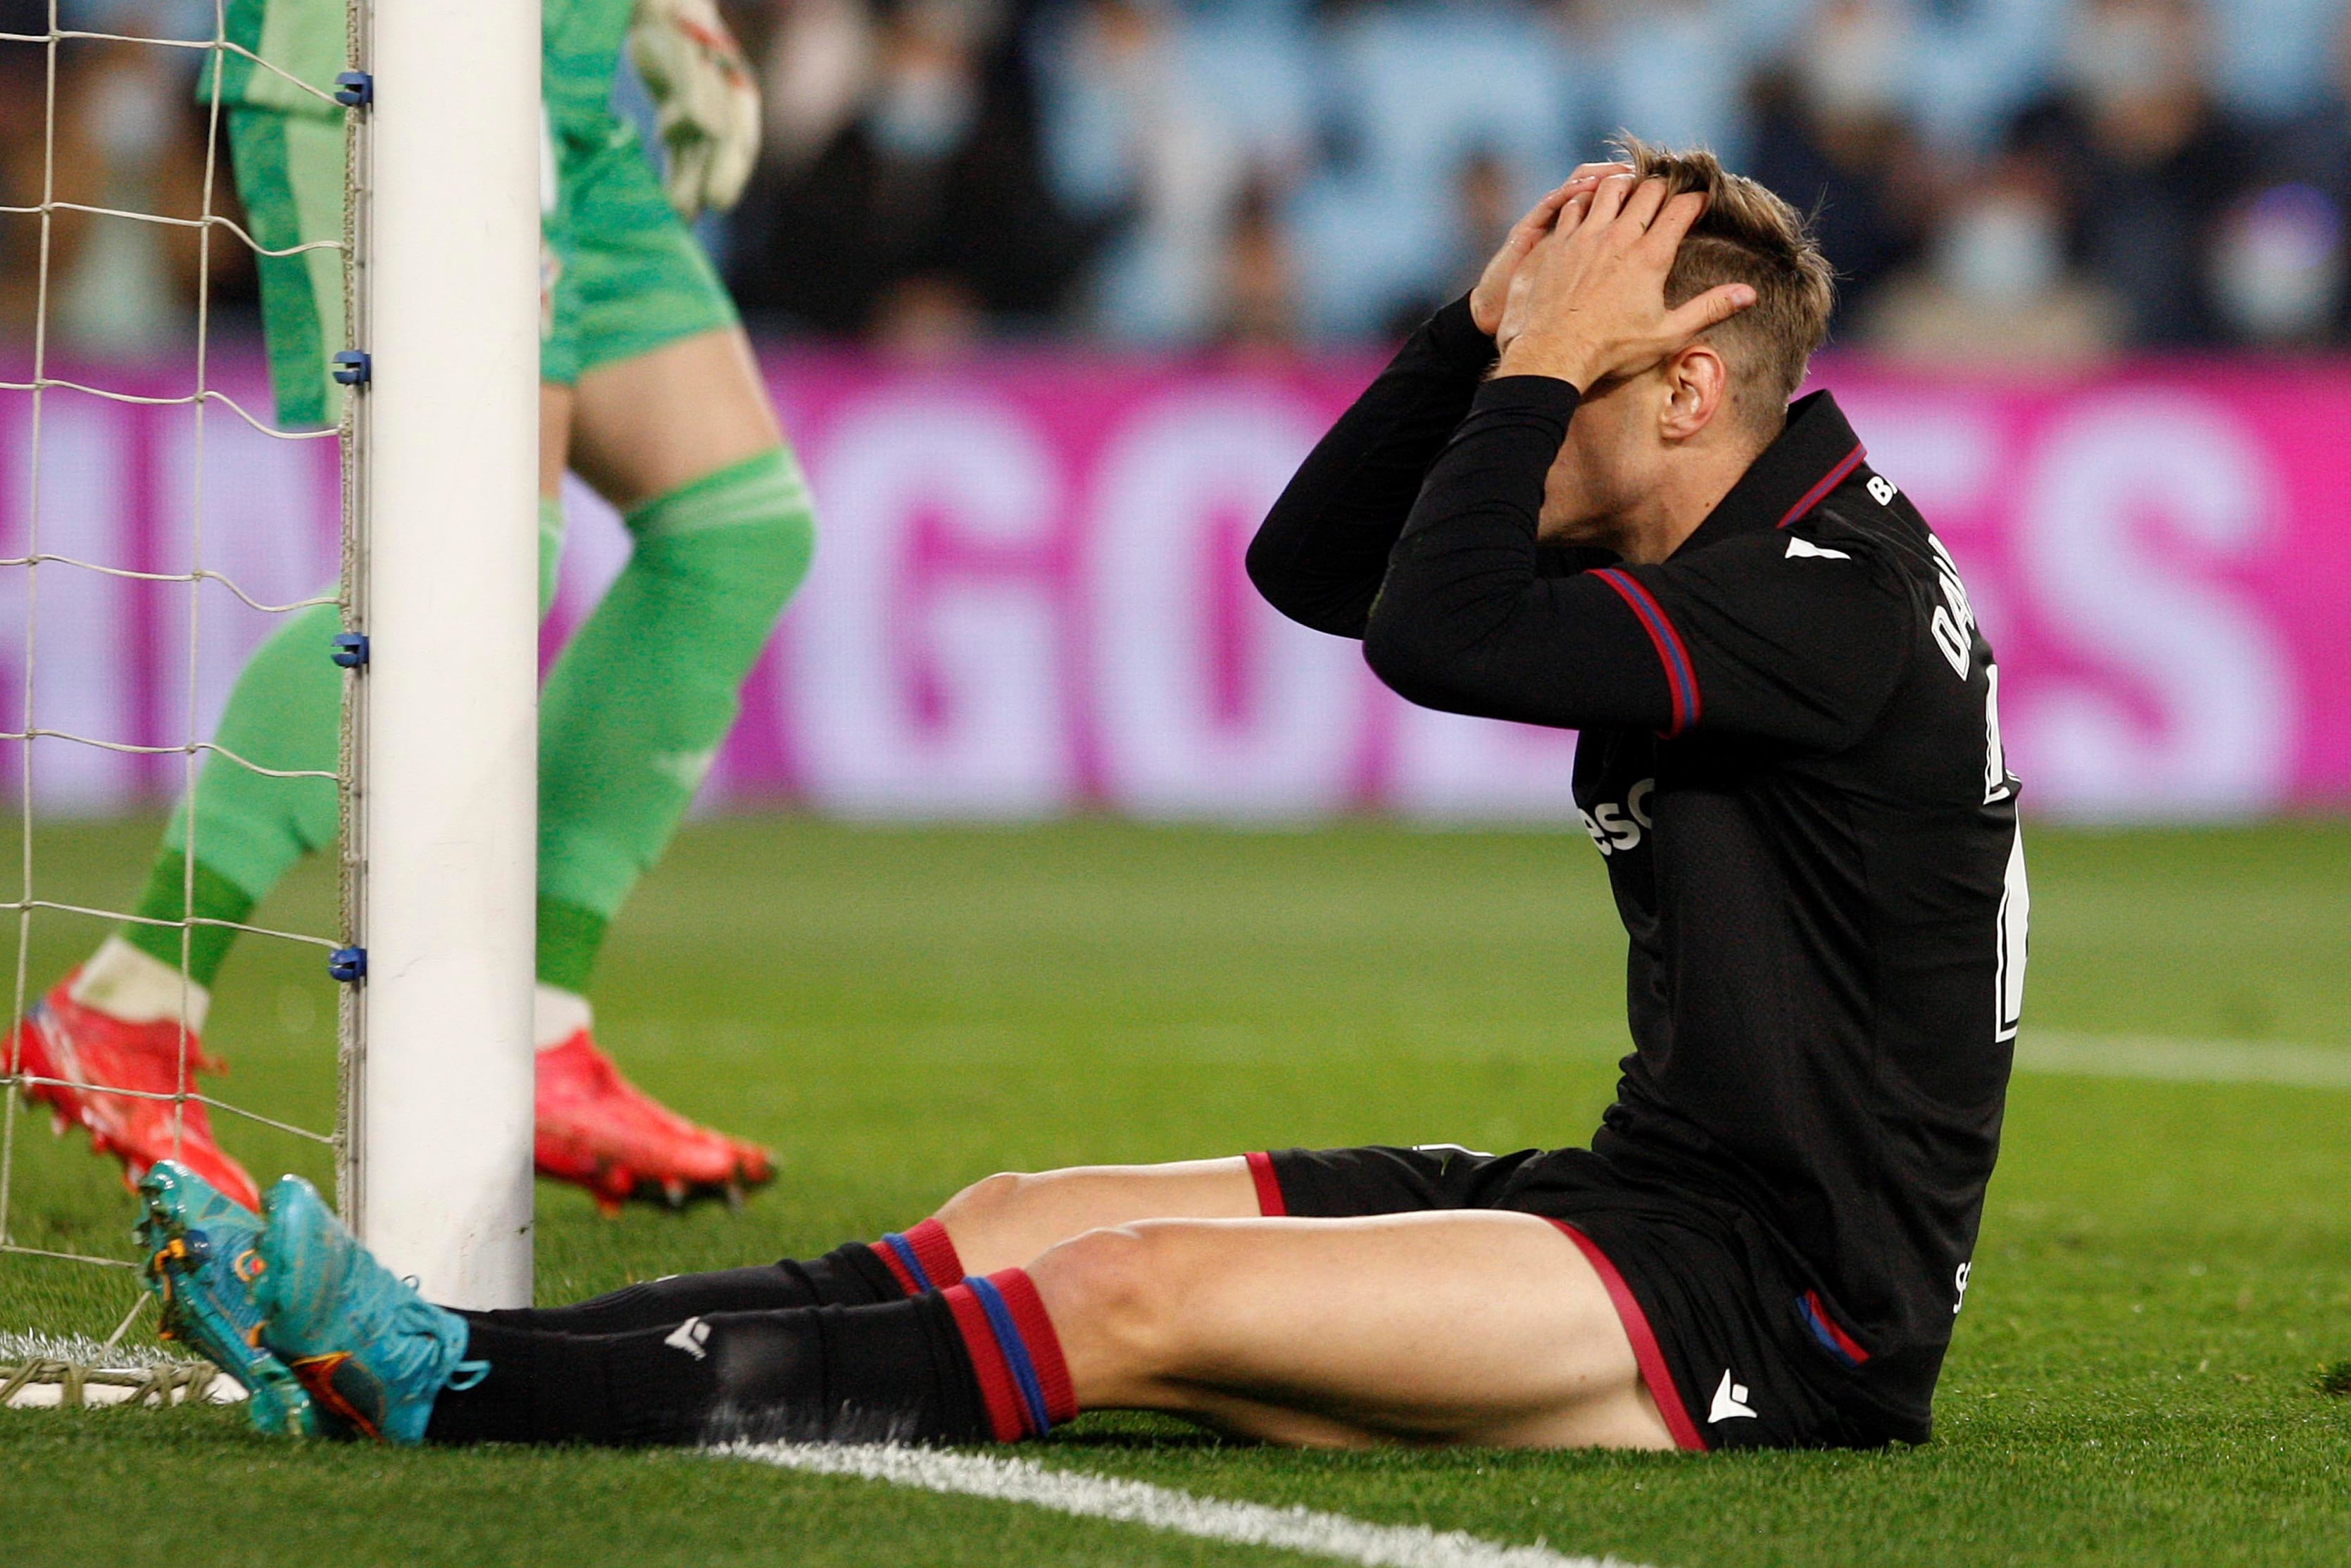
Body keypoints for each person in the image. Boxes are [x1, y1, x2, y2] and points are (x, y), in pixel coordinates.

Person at [141, 142, 2025, 1454]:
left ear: (1685, 390)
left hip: (1779, 1304)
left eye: (1581, 372)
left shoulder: (1823, 602)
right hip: (1646, 1193)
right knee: (1024, 1214)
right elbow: (1319, 569)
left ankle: (447, 1387)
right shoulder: (1775, 543)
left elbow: (1431, 633)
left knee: (1125, 1295)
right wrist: (1485, 326)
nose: (1513, 424)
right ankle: (432, 1337)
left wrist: (1528, 360)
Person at [8, 0, 810, 1213]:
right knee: (474, 564)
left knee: (735, 528)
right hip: (402, 63)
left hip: (561, 93)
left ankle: (532, 1030)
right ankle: (131, 1000)